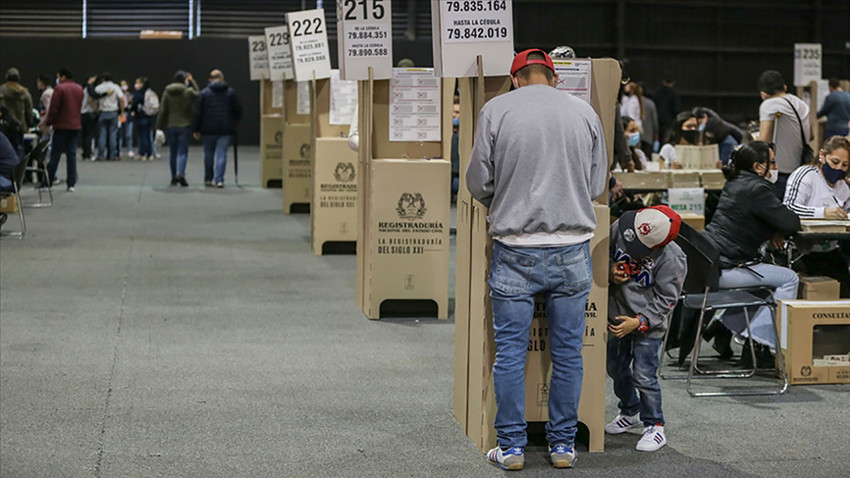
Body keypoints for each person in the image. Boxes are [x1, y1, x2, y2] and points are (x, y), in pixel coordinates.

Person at [466, 49, 607, 470]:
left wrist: (505, 200)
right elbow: (597, 182)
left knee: (509, 353)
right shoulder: (583, 112)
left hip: (515, 247)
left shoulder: (496, 110)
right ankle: (563, 445)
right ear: (554, 78)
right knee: (568, 352)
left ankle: (511, 448)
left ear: (515, 79)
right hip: (572, 249)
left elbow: (477, 180)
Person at [702, 142, 801, 366]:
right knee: (789, 278)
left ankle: (727, 325)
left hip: (714, 261)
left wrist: (774, 229)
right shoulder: (758, 188)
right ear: (758, 167)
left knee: (764, 276)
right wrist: (778, 228)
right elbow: (790, 221)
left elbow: (757, 218)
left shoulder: (736, 181)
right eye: (772, 162)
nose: (776, 167)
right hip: (727, 267)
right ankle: (764, 341)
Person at [606, 205, 686, 452]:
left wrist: (639, 322)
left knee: (644, 376)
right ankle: (630, 411)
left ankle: (655, 425)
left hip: (647, 327)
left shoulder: (673, 258)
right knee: (615, 368)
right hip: (618, 316)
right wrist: (609, 269)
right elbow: (602, 253)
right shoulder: (621, 226)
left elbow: (666, 300)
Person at [783, 136, 850, 297]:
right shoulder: (806, 175)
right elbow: (788, 207)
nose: (838, 168)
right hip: (803, 251)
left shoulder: (843, 186)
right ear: (822, 155)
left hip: (831, 249)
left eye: (845, 165)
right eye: (834, 162)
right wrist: (823, 213)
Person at [757, 70, 811, 200]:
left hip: (779, 174)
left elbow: (763, 141)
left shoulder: (769, 104)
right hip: (800, 172)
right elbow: (811, 136)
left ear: (763, 94)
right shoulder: (801, 104)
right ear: (784, 87)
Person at [194, 69, 241, 188]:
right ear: (222, 78)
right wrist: (236, 120)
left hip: (208, 129)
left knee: (208, 155)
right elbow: (238, 109)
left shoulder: (204, 93)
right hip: (225, 128)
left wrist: (196, 129)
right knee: (222, 154)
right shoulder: (230, 92)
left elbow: (198, 112)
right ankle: (219, 179)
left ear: (210, 79)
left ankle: (208, 178)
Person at [42, 68, 84, 192]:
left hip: (61, 125)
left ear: (63, 76)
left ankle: (47, 182)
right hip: (75, 125)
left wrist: (48, 122)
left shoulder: (59, 89)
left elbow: (54, 108)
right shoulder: (79, 88)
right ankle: (71, 183)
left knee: (55, 155)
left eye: (58, 76)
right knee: (71, 155)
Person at [156, 70, 198, 186]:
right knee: (183, 152)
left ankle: (173, 177)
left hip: (170, 125)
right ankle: (181, 174)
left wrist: (159, 126)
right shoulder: (188, 91)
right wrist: (192, 81)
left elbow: (163, 110)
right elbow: (198, 94)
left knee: (173, 152)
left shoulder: (167, 91)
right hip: (185, 125)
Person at [0, 68, 34, 157]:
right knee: (19, 149)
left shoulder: (1, 91)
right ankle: (18, 169)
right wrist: (29, 124)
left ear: (7, 77)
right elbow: (29, 111)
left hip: (3, 126)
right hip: (20, 127)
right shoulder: (24, 92)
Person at [94, 73, 124, 161]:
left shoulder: (98, 88)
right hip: (113, 112)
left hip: (102, 112)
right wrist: (122, 111)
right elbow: (122, 99)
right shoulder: (115, 87)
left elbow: (93, 98)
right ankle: (113, 155)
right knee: (113, 134)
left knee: (102, 134)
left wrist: (95, 108)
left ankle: (100, 155)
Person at [130, 77, 157, 161]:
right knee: (149, 135)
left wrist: (133, 110)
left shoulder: (139, 93)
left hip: (142, 116)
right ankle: (150, 154)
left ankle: (142, 153)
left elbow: (134, 104)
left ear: (142, 84)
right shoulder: (151, 92)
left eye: (138, 83)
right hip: (150, 116)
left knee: (143, 136)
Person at [652, 74, 680, 141]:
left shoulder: (657, 93)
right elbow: (676, 109)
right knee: (666, 140)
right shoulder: (674, 95)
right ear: (673, 82)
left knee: (657, 140)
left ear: (663, 81)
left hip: (657, 121)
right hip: (669, 122)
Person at [80, 74, 100, 161]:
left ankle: (84, 153)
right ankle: (88, 153)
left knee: (84, 135)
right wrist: (95, 109)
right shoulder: (90, 89)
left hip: (82, 113)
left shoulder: (83, 89)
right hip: (88, 113)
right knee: (89, 134)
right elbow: (90, 100)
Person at [637, 84, 659, 157]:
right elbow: (654, 120)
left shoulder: (632, 102)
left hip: (636, 135)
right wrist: (656, 134)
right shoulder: (650, 103)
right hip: (648, 135)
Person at [119, 80, 135, 159]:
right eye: (122, 85)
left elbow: (133, 105)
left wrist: (130, 101)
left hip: (129, 115)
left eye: (125, 84)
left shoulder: (130, 95)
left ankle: (130, 150)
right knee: (120, 133)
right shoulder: (118, 94)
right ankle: (119, 150)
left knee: (129, 134)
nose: (124, 86)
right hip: (121, 115)